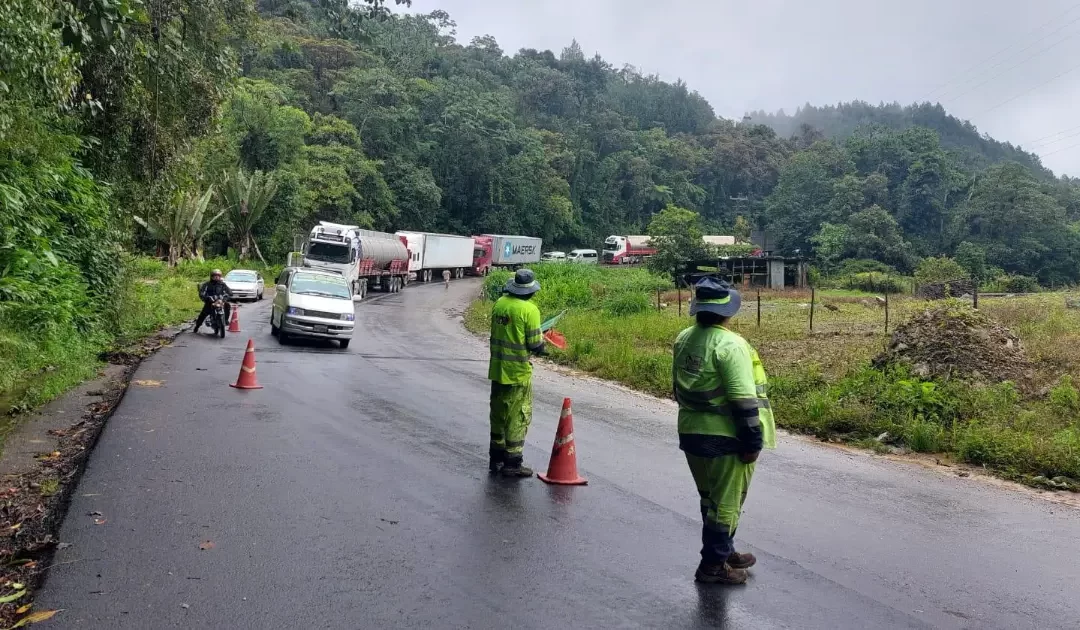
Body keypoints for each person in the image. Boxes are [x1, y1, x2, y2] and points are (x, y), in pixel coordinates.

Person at [673, 277, 776, 585]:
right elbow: (743, 400)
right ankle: (713, 566)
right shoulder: (731, 344)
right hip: (727, 437)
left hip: (691, 431)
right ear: (727, 311)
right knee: (727, 504)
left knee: (710, 498)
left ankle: (724, 550)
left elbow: (677, 388)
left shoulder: (684, 338)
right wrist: (752, 440)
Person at [488, 269, 546, 477]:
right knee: (517, 416)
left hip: (497, 369)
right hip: (518, 373)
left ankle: (496, 458)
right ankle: (513, 463)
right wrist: (542, 346)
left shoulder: (499, 304)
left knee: (498, 414)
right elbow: (534, 343)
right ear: (530, 291)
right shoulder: (530, 310)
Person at [194, 269, 234, 333]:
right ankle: (197, 326)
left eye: (218, 276)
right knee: (203, 314)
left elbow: (229, 292)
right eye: (215, 276)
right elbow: (202, 292)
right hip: (210, 301)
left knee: (227, 305)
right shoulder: (207, 284)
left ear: (220, 277)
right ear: (211, 276)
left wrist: (227, 296)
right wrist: (206, 297)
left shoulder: (222, 284)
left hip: (219, 301)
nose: (216, 277)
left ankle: (225, 320)